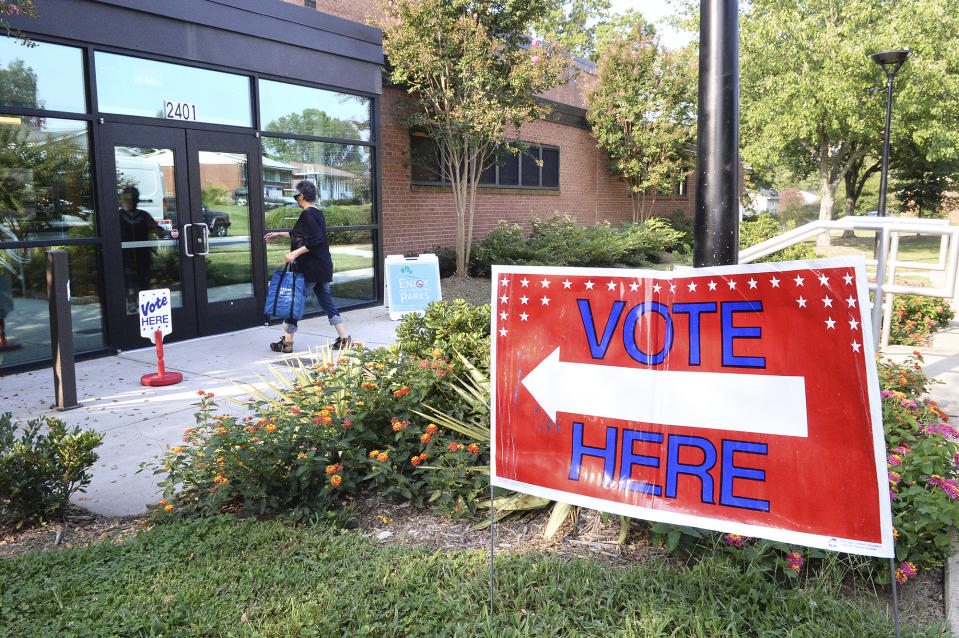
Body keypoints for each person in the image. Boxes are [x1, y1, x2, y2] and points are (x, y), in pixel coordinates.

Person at [264, 180, 350, 353]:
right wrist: (280, 234)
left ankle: (287, 343)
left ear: (301, 196)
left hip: (310, 269)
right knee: (326, 301)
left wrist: (294, 254)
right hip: (322, 267)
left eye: (296, 195)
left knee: (292, 301)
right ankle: (344, 338)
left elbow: (316, 240)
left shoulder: (307, 214)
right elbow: (303, 234)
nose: (295, 198)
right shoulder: (317, 213)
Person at [119, 186, 167, 313]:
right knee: (129, 284)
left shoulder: (143, 216)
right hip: (126, 258)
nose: (128, 202)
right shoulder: (118, 216)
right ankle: (132, 304)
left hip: (142, 257)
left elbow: (159, 231)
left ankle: (147, 308)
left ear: (136, 200)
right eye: (126, 199)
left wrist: (172, 233)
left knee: (144, 284)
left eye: (132, 199)